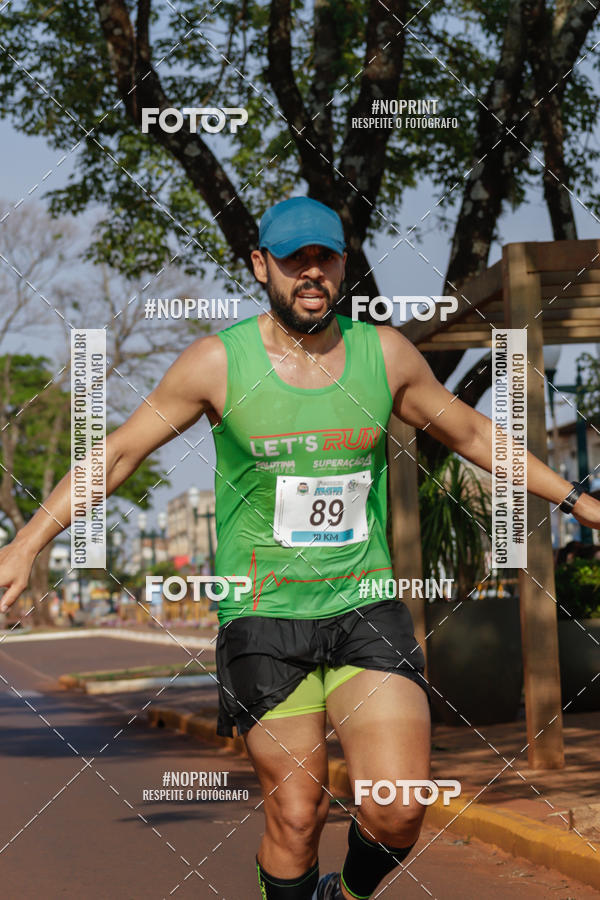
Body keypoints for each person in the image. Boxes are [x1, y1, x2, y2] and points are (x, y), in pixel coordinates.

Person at [0, 196, 598, 900]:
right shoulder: (216, 364)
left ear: (343, 264)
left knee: (399, 805)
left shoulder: (385, 355)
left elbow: (472, 435)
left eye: (326, 258)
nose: (311, 273)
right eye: (294, 260)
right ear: (261, 266)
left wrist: (581, 502)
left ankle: (345, 896)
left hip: (363, 606)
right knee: (296, 812)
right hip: (261, 617)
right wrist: (28, 542)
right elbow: (121, 452)